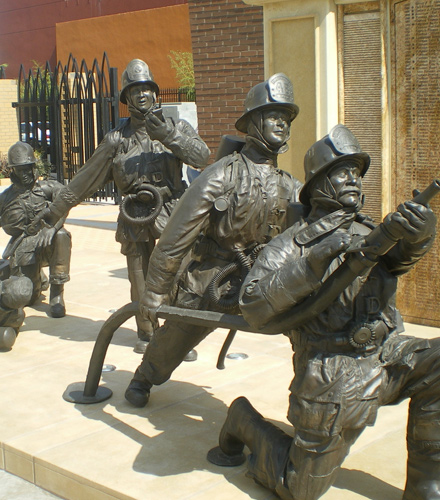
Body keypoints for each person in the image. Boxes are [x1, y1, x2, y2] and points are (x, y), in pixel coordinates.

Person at [208, 125, 440, 500]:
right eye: (341, 172)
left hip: (385, 355)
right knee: (300, 489)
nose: (352, 179)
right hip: (331, 368)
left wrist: (420, 235)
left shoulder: (369, 229)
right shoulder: (292, 243)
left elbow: (398, 262)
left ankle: (425, 483)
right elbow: (252, 304)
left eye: (356, 172)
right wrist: (316, 259)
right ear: (317, 184)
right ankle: (243, 420)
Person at [125, 73, 303, 408]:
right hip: (214, 279)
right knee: (176, 336)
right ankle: (144, 376)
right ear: (253, 122)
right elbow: (177, 236)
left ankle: (310, 397)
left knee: (308, 326)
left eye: (286, 118)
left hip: (264, 280)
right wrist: (155, 290)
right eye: (273, 116)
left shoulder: (290, 186)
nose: (282, 124)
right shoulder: (222, 174)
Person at [43, 59, 210, 352]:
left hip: (171, 209)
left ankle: (178, 334)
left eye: (146, 88)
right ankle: (147, 332)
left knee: (178, 273)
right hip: (134, 214)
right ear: (127, 98)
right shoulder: (115, 140)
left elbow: (202, 157)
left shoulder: (176, 127)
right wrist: (53, 213)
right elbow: (83, 181)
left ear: (155, 93)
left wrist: (168, 136)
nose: (142, 94)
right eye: (135, 90)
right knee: (139, 277)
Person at [0, 141, 71, 318]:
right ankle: (38, 277)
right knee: (28, 297)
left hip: (47, 241)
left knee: (62, 235)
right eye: (20, 170)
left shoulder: (48, 188)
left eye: (27, 168)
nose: (25, 174)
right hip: (24, 247)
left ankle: (57, 294)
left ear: (33, 167)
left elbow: (65, 203)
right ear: (13, 170)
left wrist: (52, 228)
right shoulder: (6, 197)